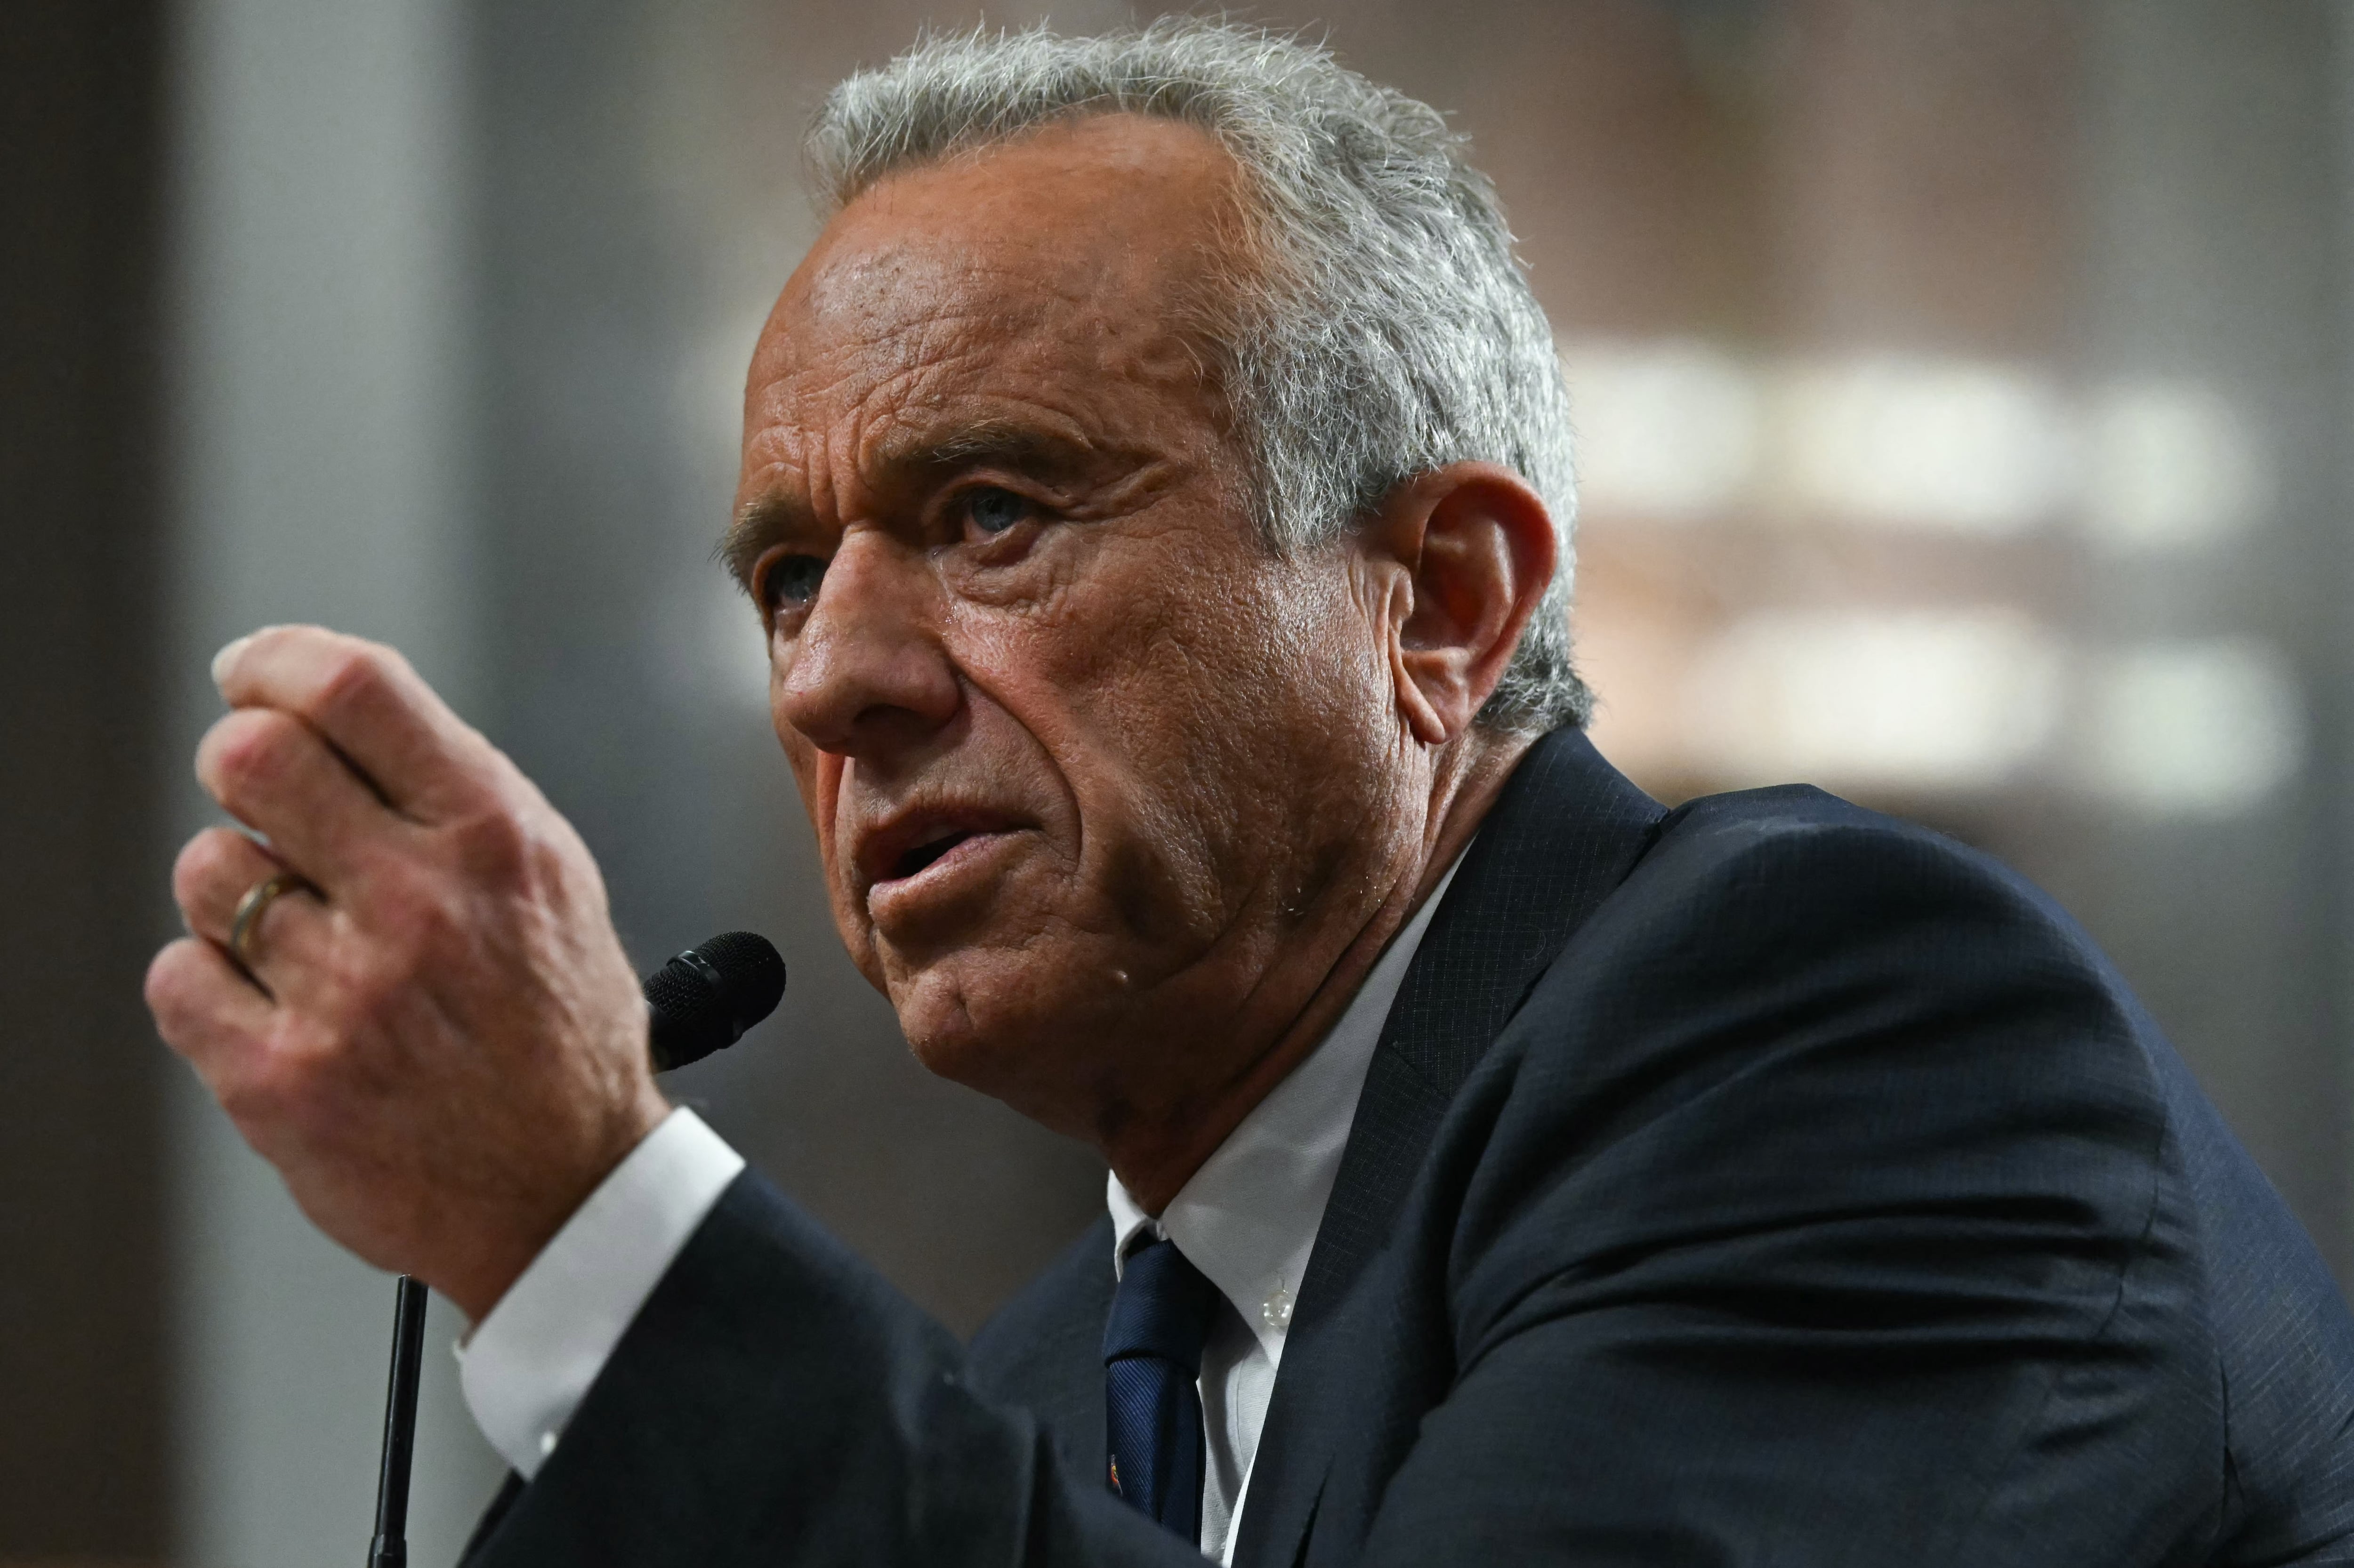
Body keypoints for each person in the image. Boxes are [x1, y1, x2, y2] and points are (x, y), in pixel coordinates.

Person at [145, 20, 2354, 1567]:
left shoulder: (1851, 1040)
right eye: (788, 575)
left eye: (996, 510)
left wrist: (585, 1227)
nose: (830, 677)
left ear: (1438, 601)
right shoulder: (1017, 1405)